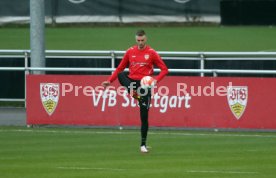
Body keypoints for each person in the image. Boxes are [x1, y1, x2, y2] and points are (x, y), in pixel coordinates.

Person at [102, 29, 168, 153]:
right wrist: (109, 81)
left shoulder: (152, 53)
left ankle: (143, 144)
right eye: (138, 40)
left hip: (145, 86)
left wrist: (155, 81)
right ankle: (134, 94)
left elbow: (164, 69)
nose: (140, 42)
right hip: (132, 83)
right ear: (135, 39)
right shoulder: (130, 51)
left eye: (142, 40)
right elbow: (120, 67)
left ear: (146, 39)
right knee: (121, 74)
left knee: (144, 117)